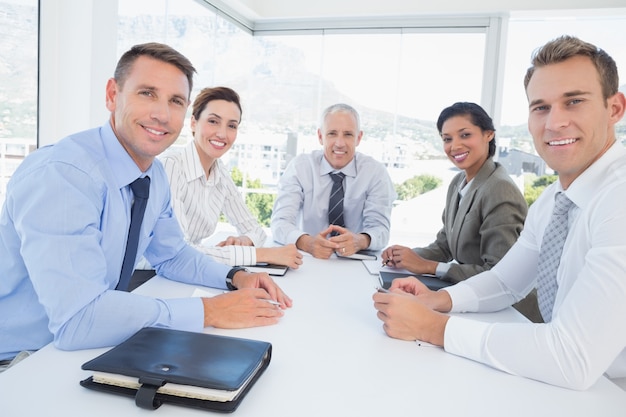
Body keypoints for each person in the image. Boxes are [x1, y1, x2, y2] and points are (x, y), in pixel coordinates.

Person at [0, 43, 292, 370]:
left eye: (175, 101)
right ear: (113, 95)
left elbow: (172, 254)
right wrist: (210, 311)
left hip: (83, 347)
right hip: (21, 362)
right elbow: (78, 319)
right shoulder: (63, 176)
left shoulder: (153, 174)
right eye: (147, 93)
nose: (162, 114)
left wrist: (235, 276)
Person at [373, 35, 626, 390]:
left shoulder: (619, 200)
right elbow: (506, 281)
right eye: (541, 107)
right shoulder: (556, 199)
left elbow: (572, 357)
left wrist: (434, 327)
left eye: (574, 102)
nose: (554, 123)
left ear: (614, 108)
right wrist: (437, 300)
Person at [381, 102, 540, 322]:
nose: (454, 146)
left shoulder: (500, 189)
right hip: (471, 298)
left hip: (510, 313)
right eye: (447, 139)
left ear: (489, 135)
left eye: (465, 135)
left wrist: (428, 266)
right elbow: (445, 244)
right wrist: (407, 256)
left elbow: (500, 275)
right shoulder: (459, 182)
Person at [160, 86, 303, 269]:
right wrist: (262, 254)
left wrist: (244, 241)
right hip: (149, 276)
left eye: (231, 126)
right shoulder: (171, 166)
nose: (222, 134)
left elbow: (257, 232)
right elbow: (180, 251)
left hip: (188, 273)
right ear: (194, 123)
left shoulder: (220, 174)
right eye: (213, 121)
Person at [271, 103, 396, 259]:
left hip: (357, 261)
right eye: (332, 133)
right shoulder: (300, 167)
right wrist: (307, 243)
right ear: (320, 136)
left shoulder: (375, 173)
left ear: (359, 138)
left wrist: (360, 241)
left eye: (348, 134)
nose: (340, 143)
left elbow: (380, 229)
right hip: (308, 260)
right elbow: (280, 223)